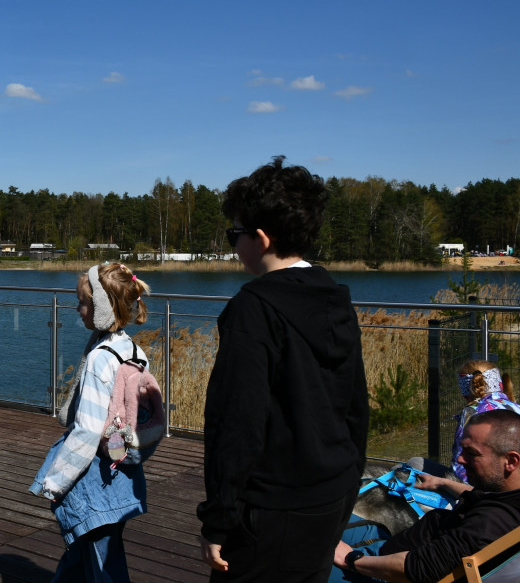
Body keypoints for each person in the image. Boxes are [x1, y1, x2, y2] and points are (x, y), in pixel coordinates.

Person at [197, 156, 369, 583]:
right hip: (330, 495)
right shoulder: (334, 297)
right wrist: (347, 484)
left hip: (270, 509)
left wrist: (218, 519)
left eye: (233, 234)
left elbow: (237, 422)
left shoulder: (253, 309)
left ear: (259, 238)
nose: (232, 246)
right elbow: (355, 407)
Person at [30, 262, 153, 582]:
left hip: (96, 480)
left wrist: (56, 482)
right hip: (122, 472)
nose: (78, 308)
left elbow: (88, 429)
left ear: (102, 308)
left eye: (83, 302)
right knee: (84, 553)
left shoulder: (101, 357)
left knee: (104, 565)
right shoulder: (134, 350)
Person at [333, 409, 520, 583]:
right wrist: (442, 482)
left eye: (472, 453)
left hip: (381, 571)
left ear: (511, 461)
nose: (460, 459)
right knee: (319, 517)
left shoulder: (490, 522)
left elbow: (419, 567)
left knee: (308, 549)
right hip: (387, 545)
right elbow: (476, 494)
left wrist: (351, 559)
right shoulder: (506, 494)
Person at [451, 360, 520, 483]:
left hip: (481, 486)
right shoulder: (516, 408)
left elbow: (459, 463)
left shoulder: (471, 413)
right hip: (513, 481)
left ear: (465, 393)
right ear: (500, 384)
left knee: (418, 463)